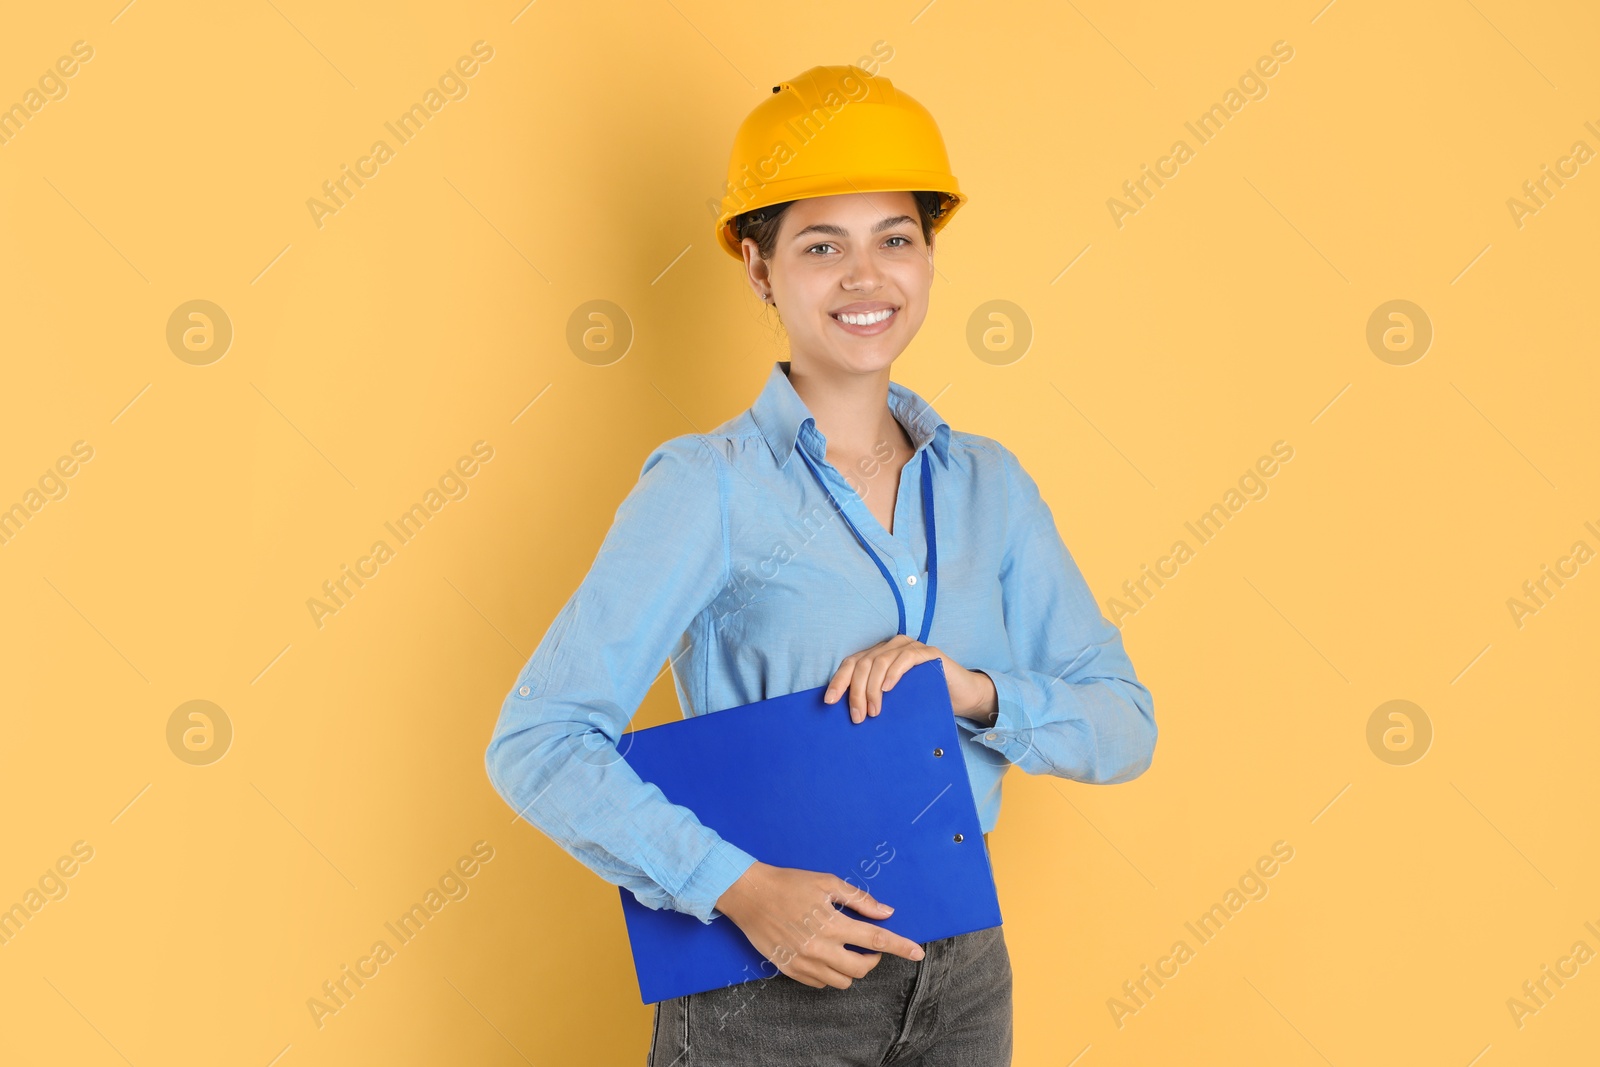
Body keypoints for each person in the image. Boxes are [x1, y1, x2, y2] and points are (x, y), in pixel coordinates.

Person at [484, 64, 1157, 1066]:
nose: (864, 276)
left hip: (964, 973)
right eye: (820, 246)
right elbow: (537, 739)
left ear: (929, 256)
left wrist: (969, 689)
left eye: (895, 239)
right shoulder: (708, 486)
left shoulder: (990, 487)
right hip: (768, 984)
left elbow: (1122, 724)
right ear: (759, 269)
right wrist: (739, 889)